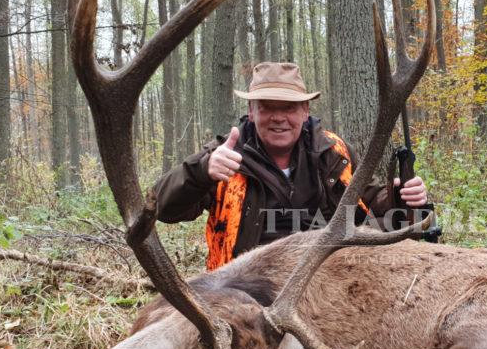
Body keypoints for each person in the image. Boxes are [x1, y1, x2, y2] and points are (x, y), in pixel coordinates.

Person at [154, 61, 428, 270]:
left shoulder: (334, 152)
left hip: (328, 276)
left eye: (288, 108)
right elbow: (162, 208)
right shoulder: (225, 156)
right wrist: (200, 172)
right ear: (251, 112)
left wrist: (398, 195)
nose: (278, 118)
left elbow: (367, 199)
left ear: (305, 111)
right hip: (244, 286)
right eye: (267, 107)